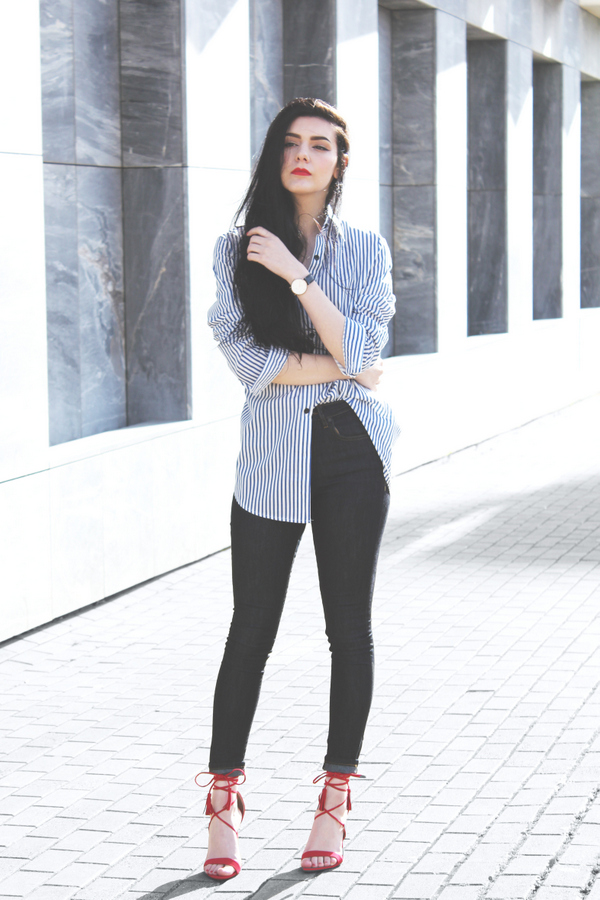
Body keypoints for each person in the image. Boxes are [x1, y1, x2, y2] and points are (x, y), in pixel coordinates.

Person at [201, 97, 399, 881]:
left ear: (340, 162)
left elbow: (367, 346)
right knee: (250, 631)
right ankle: (223, 802)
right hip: (271, 461)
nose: (304, 155)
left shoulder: (367, 249)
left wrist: (298, 276)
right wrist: (343, 366)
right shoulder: (233, 250)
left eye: (321, 145)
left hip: (354, 454)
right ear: (275, 155)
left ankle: (334, 800)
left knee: (349, 629)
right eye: (292, 142)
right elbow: (251, 364)